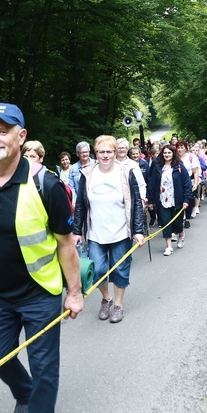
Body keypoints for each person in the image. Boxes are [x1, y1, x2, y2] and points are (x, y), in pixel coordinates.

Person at [0, 102, 83, 413]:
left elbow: (65, 244)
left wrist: (74, 292)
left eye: (3, 131)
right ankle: (24, 394)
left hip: (39, 292)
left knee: (44, 367)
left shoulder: (47, 185)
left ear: (21, 136)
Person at [73, 135, 145, 323]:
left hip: (121, 232)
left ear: (115, 153)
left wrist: (138, 230)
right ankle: (106, 298)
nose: (105, 155)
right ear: (95, 153)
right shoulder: (87, 174)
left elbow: (137, 202)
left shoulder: (126, 172)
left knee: (120, 269)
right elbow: (80, 204)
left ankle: (118, 305)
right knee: (97, 271)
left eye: (109, 151)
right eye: (101, 152)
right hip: (96, 233)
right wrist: (76, 232)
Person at [147, 145, 192, 255]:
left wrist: (186, 200)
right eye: (165, 153)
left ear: (173, 154)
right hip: (162, 200)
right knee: (166, 223)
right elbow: (151, 184)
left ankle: (181, 234)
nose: (167, 155)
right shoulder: (158, 167)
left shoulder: (179, 167)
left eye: (169, 153)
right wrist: (151, 201)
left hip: (177, 200)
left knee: (177, 223)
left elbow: (187, 184)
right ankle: (169, 246)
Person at [176, 141, 198, 229]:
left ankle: (187, 219)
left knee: (189, 200)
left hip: (189, 181)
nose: (180, 149)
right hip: (178, 182)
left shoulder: (191, 157)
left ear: (185, 148)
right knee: (180, 201)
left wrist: (196, 183)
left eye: (182, 147)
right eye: (178, 147)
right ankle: (180, 219)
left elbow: (195, 171)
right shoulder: (175, 157)